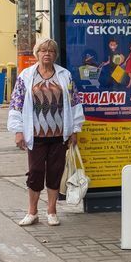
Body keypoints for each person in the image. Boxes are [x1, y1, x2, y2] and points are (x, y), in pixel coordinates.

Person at [8, 38, 84, 227]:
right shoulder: (26, 76)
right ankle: (32, 212)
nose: (47, 54)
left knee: (55, 172)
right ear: (37, 54)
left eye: (50, 51)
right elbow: (16, 103)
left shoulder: (64, 75)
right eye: (43, 50)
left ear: (55, 55)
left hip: (59, 134)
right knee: (35, 172)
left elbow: (74, 102)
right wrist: (18, 131)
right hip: (35, 135)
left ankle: (51, 211)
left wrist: (75, 129)